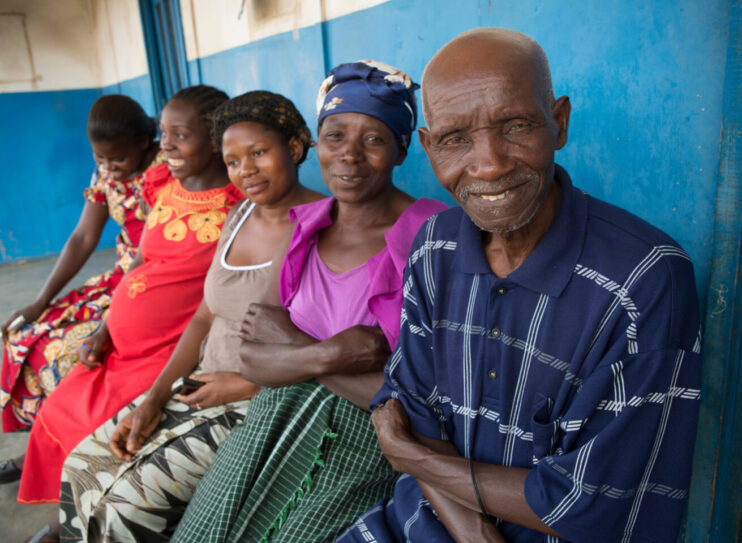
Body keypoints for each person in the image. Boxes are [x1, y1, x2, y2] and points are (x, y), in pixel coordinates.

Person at [338, 28, 702, 543]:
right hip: (419, 522)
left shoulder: (644, 279)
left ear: (558, 123)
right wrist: (473, 534)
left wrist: (412, 456)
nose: (489, 164)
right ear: (427, 146)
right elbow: (410, 412)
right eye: (455, 138)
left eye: (516, 126)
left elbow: (590, 504)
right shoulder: (434, 246)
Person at [172, 61, 447, 543]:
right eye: (336, 136)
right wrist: (332, 353)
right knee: (205, 532)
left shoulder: (431, 234)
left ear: (402, 149)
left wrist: (292, 351)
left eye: (374, 139)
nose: (350, 156)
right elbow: (253, 359)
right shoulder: (306, 225)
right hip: (270, 417)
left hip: (366, 440)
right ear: (317, 145)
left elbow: (416, 398)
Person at [58, 90, 323, 542]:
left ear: (294, 148)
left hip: (265, 400)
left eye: (259, 153)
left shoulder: (322, 224)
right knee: (81, 466)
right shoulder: (239, 215)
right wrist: (155, 397)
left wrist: (245, 384)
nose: (247, 170)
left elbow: (332, 348)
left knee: (127, 505)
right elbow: (203, 317)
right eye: (234, 160)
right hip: (203, 381)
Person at [16, 85, 243, 543]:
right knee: (56, 409)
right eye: (164, 133)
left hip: (166, 352)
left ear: (217, 139)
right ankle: (70, 518)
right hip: (120, 346)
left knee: (89, 431)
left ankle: (75, 527)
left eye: (180, 135)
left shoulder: (240, 206)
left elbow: (219, 304)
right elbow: (140, 261)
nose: (166, 145)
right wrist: (102, 328)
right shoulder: (165, 187)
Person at [0, 95, 162, 440]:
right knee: (25, 336)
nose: (109, 166)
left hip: (152, 283)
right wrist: (41, 301)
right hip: (119, 278)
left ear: (144, 142)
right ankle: (47, 440)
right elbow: (83, 237)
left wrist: (113, 315)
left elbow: (151, 252)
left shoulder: (166, 169)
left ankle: (71, 443)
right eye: (99, 157)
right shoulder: (105, 172)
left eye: (118, 157)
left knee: (68, 353)